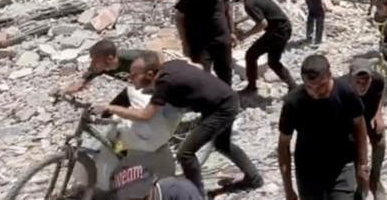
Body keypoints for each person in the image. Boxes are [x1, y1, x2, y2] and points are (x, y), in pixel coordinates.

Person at [96, 53, 263, 195]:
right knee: (222, 144)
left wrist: (112, 108)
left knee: (185, 153)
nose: (129, 78)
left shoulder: (164, 84)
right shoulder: (170, 66)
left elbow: (145, 115)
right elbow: (195, 66)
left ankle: (196, 195)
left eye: (133, 75)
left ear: (149, 74)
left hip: (221, 109)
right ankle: (254, 178)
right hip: (225, 99)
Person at [278, 55, 370, 200]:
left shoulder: (346, 93)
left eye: (321, 86)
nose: (315, 92)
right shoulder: (293, 102)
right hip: (308, 170)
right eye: (309, 87)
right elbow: (283, 146)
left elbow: (360, 125)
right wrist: (288, 189)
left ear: (329, 75)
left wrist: (362, 165)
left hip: (342, 166)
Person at [231, 0, 297, 93]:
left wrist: (245, 35)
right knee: (273, 61)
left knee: (251, 55)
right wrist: (240, 20)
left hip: (277, 32)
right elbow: (262, 12)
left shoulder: (248, 4)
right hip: (284, 27)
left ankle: (251, 87)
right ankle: (293, 86)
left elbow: (262, 23)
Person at [174, 0, 234, 84]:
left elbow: (228, 9)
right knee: (202, 77)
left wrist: (232, 32)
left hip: (222, 40)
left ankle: (226, 100)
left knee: (225, 74)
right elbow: (179, 18)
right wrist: (185, 43)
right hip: (199, 44)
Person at [347, 60, 387, 200]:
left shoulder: (378, 80)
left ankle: (375, 181)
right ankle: (359, 186)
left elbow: (381, 94)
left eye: (366, 80)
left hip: (368, 116)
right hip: (352, 123)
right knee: (355, 155)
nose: (362, 85)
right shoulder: (341, 88)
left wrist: (378, 115)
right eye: (358, 81)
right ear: (350, 78)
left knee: (380, 142)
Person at [60, 39, 146, 96]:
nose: (93, 64)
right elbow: (91, 71)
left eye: (96, 61)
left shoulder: (133, 60)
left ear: (110, 59)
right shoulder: (103, 66)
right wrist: (80, 83)